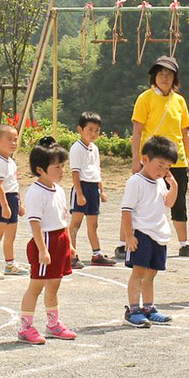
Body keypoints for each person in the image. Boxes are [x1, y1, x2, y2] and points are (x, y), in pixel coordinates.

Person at [130, 55, 189, 258]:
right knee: (143, 199)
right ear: (154, 77)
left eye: (169, 74)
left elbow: (185, 133)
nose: (164, 77)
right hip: (152, 160)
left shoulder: (179, 101)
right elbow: (137, 131)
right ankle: (127, 241)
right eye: (160, 73)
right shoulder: (145, 98)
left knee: (179, 201)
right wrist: (136, 160)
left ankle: (184, 244)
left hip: (177, 160)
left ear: (175, 78)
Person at [18, 136, 77, 343]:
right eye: (57, 167)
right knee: (36, 286)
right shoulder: (35, 192)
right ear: (40, 169)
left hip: (60, 240)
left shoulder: (58, 189)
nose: (62, 170)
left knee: (54, 285)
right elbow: (35, 223)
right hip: (45, 241)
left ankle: (53, 324)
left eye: (63, 166)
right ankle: (25, 327)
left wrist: (69, 244)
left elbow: (63, 219)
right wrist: (43, 250)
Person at [120, 136, 180, 328]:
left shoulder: (160, 181)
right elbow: (126, 211)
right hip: (141, 234)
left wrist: (174, 186)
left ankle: (148, 308)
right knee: (138, 272)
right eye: (160, 165)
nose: (163, 171)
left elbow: (168, 203)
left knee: (151, 274)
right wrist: (129, 236)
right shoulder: (135, 182)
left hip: (158, 234)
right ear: (145, 159)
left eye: (167, 167)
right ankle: (133, 310)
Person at [67, 112, 113, 268]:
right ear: (80, 130)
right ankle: (71, 255)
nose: (93, 134)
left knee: (93, 225)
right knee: (75, 224)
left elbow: (96, 170)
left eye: (97, 130)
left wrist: (101, 190)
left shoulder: (95, 148)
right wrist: (79, 194)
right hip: (82, 186)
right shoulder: (76, 148)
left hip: (93, 188)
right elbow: (75, 172)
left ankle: (96, 254)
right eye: (90, 130)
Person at [0, 124, 24, 279]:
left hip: (13, 199)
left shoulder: (11, 162)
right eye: (9, 139)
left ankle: (10, 264)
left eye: (15, 139)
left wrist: (19, 204)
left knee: (10, 236)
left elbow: (15, 184)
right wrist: (5, 206)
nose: (13, 143)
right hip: (2, 200)